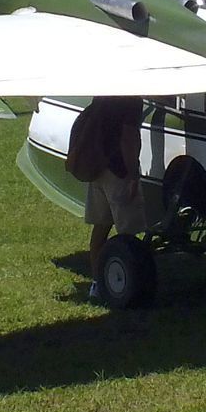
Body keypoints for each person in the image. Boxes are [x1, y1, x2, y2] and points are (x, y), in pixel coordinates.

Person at [69, 96, 149, 298]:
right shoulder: (132, 100)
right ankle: (127, 284)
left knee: (101, 225)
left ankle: (97, 283)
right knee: (128, 233)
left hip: (97, 167)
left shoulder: (104, 93)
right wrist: (132, 175)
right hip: (118, 171)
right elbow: (128, 139)